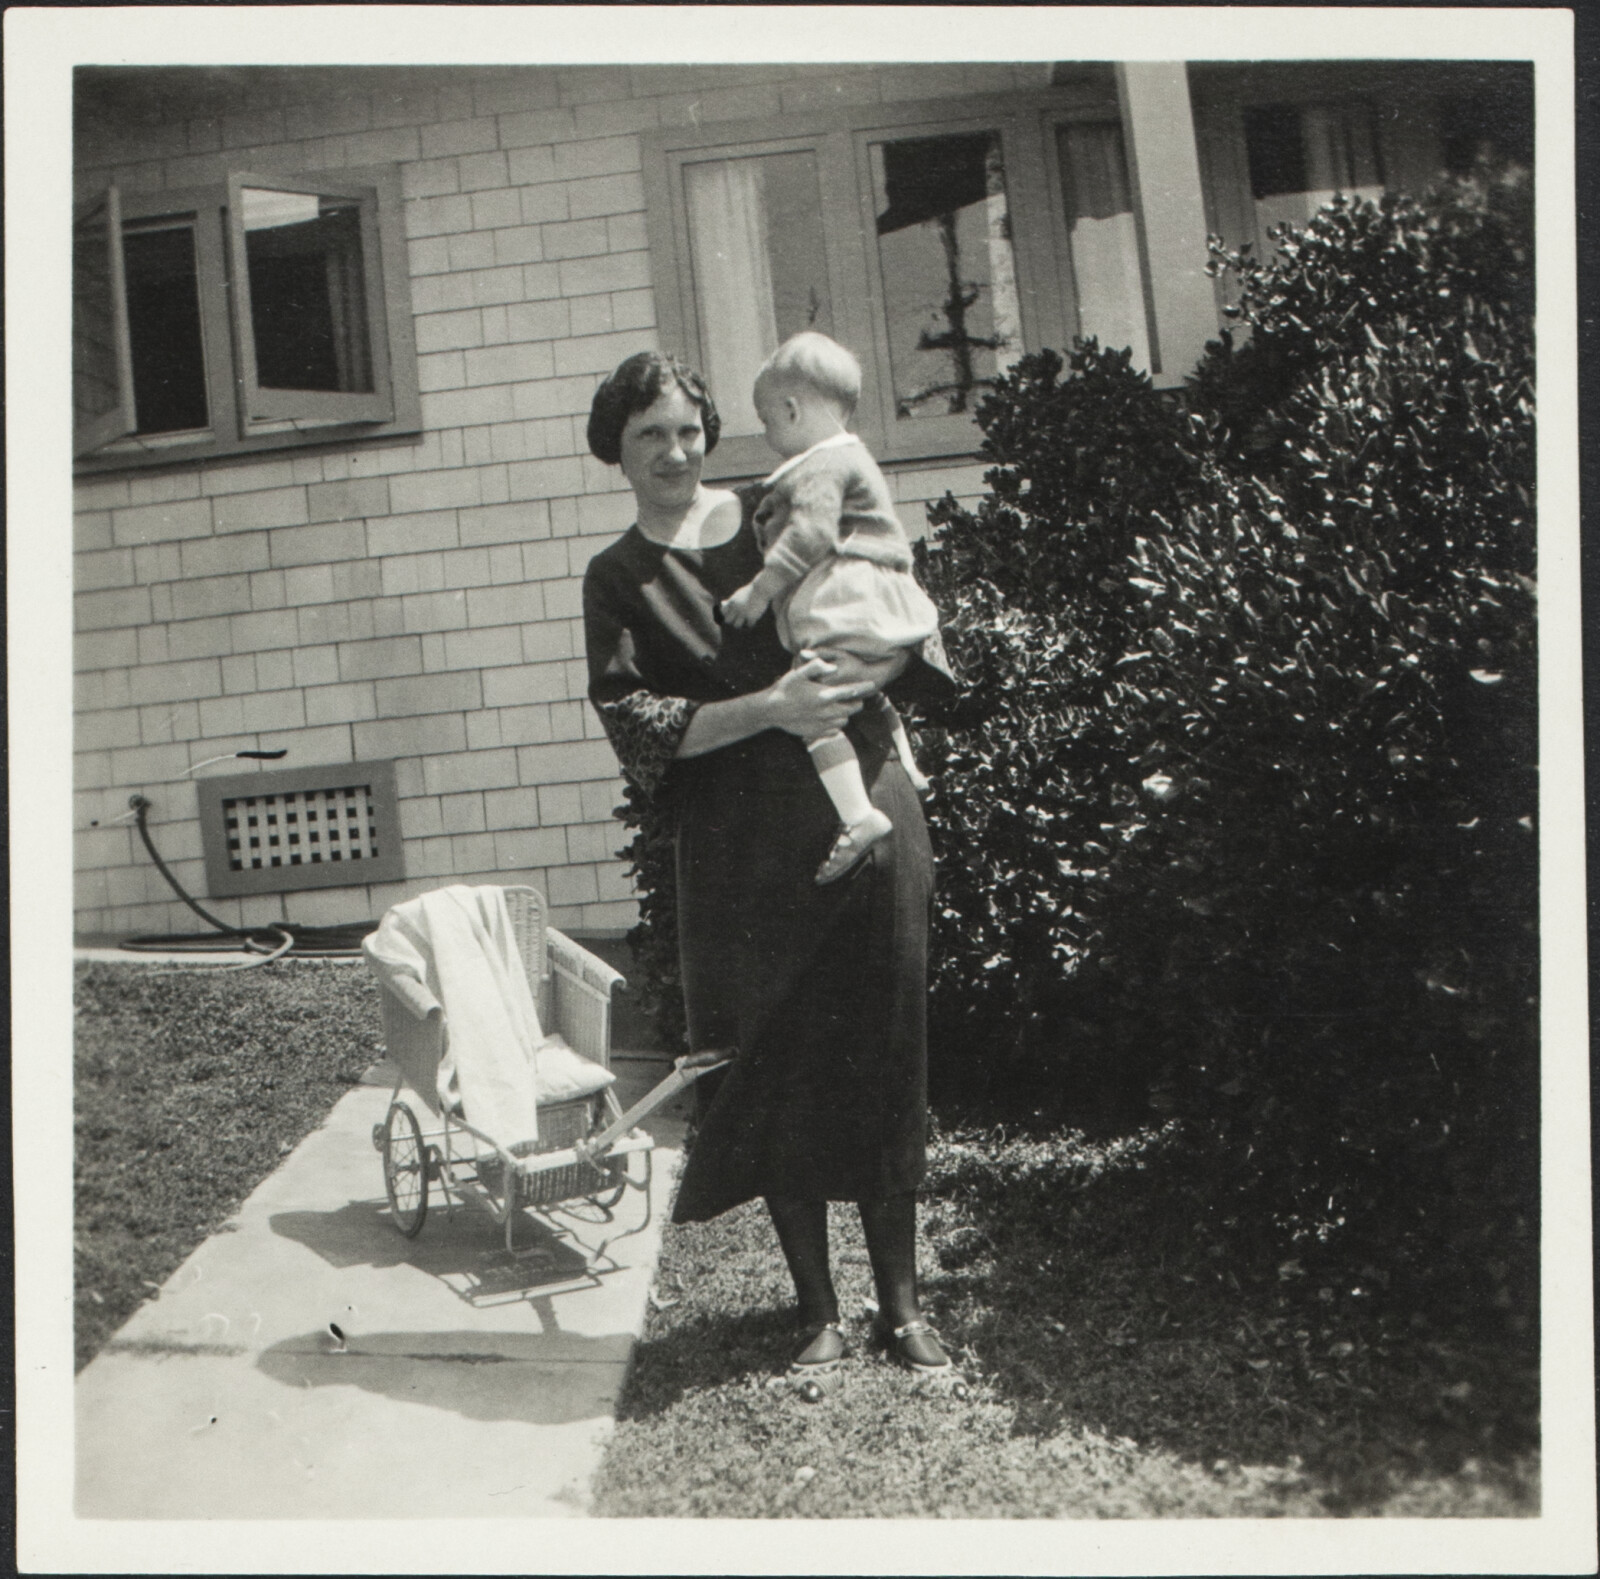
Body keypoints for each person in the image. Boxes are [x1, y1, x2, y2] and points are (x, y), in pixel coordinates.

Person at [581, 349, 959, 1397]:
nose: (675, 449)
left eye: (689, 427)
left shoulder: (773, 509)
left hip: (865, 796)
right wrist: (768, 711)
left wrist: (878, 655)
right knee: (775, 1054)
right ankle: (819, 1310)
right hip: (740, 840)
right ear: (614, 448)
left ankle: (902, 1302)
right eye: (649, 432)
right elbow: (637, 724)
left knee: (886, 1036)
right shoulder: (619, 578)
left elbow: (884, 585)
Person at [719, 332, 938, 883]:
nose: (768, 435)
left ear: (792, 410)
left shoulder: (818, 466)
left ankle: (859, 815)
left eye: (767, 421)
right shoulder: (853, 455)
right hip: (882, 602)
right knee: (866, 686)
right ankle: (909, 767)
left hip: (849, 600)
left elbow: (811, 534)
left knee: (816, 701)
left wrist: (759, 592)